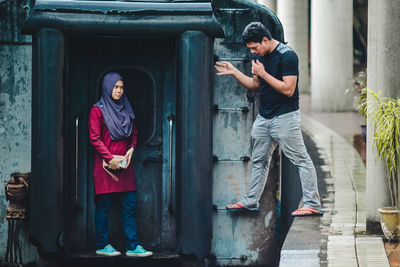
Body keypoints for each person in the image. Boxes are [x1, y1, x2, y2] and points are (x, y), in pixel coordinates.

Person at [215, 22, 322, 217]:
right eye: (251, 49)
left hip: (285, 117)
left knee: (301, 159)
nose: (254, 52)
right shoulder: (258, 55)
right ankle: (250, 201)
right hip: (264, 117)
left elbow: (289, 90)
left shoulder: (287, 55)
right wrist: (234, 71)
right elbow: (256, 85)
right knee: (259, 161)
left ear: (265, 39)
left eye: (255, 47)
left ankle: (312, 203)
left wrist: (264, 73)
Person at [89, 72, 153, 256]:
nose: (119, 90)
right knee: (103, 207)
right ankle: (102, 245)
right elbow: (94, 138)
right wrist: (110, 159)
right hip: (105, 166)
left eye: (121, 87)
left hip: (125, 165)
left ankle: (133, 246)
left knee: (130, 205)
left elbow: (134, 133)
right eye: (116, 87)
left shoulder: (126, 108)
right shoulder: (97, 110)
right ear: (108, 87)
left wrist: (132, 148)